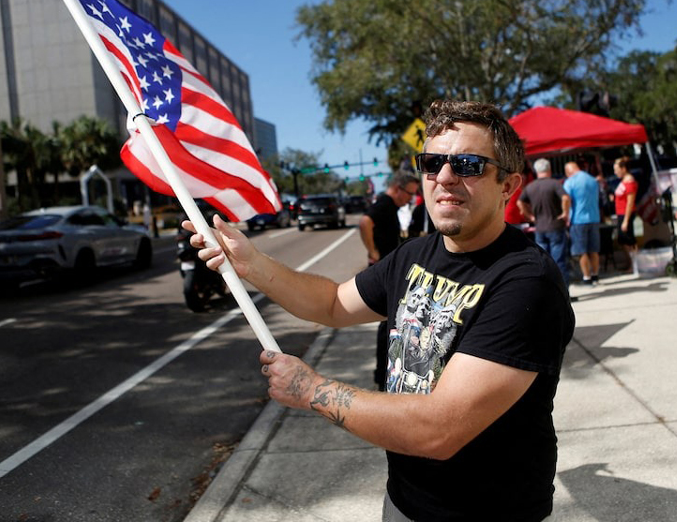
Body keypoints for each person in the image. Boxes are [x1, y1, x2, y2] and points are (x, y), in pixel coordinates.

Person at [186, 100, 575, 521]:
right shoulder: (414, 254)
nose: (444, 178)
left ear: (508, 185)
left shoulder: (526, 282)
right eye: (432, 162)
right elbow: (333, 304)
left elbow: (438, 429)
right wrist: (252, 265)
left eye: (468, 164)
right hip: (404, 500)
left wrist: (312, 390)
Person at [359, 172, 421, 390]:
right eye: (409, 194)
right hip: (382, 272)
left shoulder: (391, 207)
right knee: (387, 324)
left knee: (391, 323)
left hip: (388, 271)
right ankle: (382, 375)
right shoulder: (385, 204)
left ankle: (386, 372)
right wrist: (373, 251)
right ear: (397, 188)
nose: (410, 199)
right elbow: (365, 223)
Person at [518, 158, 571, 287]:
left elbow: (519, 202)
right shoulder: (554, 184)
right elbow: (565, 198)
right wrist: (565, 213)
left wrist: (529, 216)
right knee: (559, 262)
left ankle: (547, 292)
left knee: (543, 263)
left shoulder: (530, 186)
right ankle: (563, 292)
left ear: (536, 171)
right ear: (549, 170)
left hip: (539, 228)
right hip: (555, 226)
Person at [564, 160, 601, 285]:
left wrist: (566, 215)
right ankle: (595, 275)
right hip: (594, 218)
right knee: (594, 250)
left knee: (581, 251)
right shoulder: (592, 180)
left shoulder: (570, 182)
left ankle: (587, 278)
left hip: (578, 220)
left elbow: (566, 199)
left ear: (568, 172)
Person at [613, 156, 639, 272]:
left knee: (629, 240)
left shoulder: (630, 181)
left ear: (623, 169)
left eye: (617, 170)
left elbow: (630, 202)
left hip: (626, 214)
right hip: (620, 213)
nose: (615, 172)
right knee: (623, 240)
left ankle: (635, 264)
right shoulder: (623, 181)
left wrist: (626, 220)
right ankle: (630, 263)